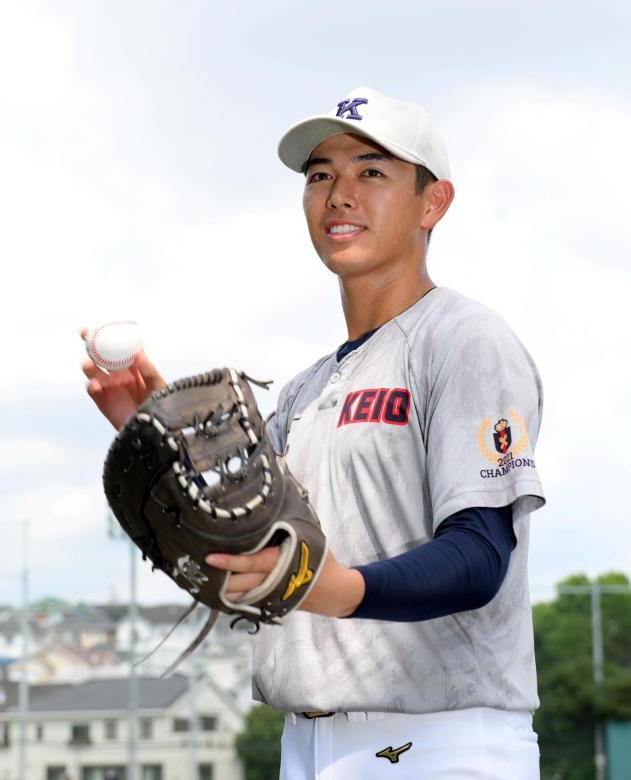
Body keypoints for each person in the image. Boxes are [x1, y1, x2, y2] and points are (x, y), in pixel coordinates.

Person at [82, 87, 544, 778]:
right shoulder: (304, 389)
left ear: (433, 203)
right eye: (320, 175)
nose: (340, 194)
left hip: (438, 739)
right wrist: (156, 427)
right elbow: (246, 544)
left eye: (372, 171)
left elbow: (480, 556)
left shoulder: (463, 340)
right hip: (307, 740)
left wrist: (331, 586)